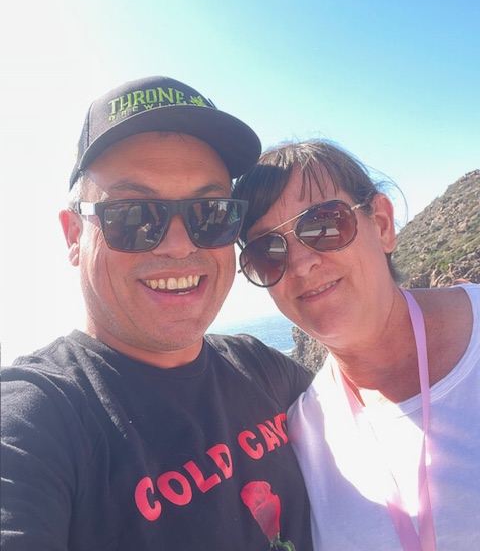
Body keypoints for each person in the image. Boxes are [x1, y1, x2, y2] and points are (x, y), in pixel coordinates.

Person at [1, 77, 314, 550]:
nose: (179, 245)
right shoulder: (36, 423)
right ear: (74, 235)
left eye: (210, 212)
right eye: (134, 215)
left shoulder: (262, 367)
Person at [233, 139, 480, 550]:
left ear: (382, 224)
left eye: (324, 225)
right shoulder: (306, 432)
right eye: (267, 251)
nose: (301, 264)